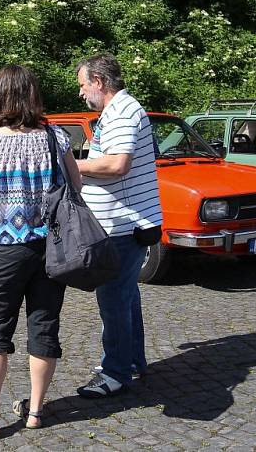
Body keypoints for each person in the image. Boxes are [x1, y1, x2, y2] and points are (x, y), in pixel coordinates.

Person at [0, 64, 82, 440]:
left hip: (4, 249)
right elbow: (77, 184)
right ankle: (36, 410)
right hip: (52, 249)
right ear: (33, 96)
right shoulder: (56, 137)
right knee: (44, 324)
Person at [73, 53, 162, 398]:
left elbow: (118, 165)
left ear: (98, 82)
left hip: (123, 227)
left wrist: (74, 165)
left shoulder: (123, 111)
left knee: (113, 300)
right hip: (125, 224)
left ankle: (115, 373)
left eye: (83, 85)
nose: (82, 93)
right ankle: (131, 361)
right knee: (126, 298)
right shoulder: (117, 112)